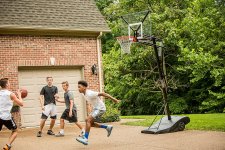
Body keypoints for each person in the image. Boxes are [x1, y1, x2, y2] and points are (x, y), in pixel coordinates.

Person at [76, 80, 120, 145]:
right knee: (89, 122)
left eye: (79, 87)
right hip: (96, 109)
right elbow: (91, 102)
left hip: (100, 108)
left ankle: (85, 138)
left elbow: (103, 94)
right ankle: (107, 127)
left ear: (84, 87)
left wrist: (114, 99)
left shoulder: (90, 93)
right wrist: (91, 110)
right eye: (78, 87)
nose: (78, 88)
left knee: (88, 120)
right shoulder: (83, 94)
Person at [0, 78, 24, 150]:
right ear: (7, 85)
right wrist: (19, 95)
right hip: (6, 117)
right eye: (9, 83)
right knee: (15, 131)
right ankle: (8, 145)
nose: (10, 84)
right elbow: (21, 104)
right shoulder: (11, 94)